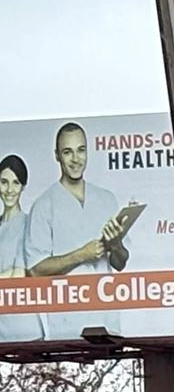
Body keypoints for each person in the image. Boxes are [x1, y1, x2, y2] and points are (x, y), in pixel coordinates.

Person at [20, 124, 140, 342]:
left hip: (107, 322)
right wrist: (81, 255)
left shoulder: (106, 199)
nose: (76, 159)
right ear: (57, 156)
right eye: (68, 152)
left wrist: (115, 245)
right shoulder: (44, 205)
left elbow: (121, 263)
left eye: (81, 150)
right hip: (68, 325)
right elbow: (35, 270)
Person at [0, 153, 39, 345]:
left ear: (23, 186)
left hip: (24, 329)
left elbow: (18, 274)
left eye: (15, 183)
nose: (9, 190)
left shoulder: (27, 223)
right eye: (4, 182)